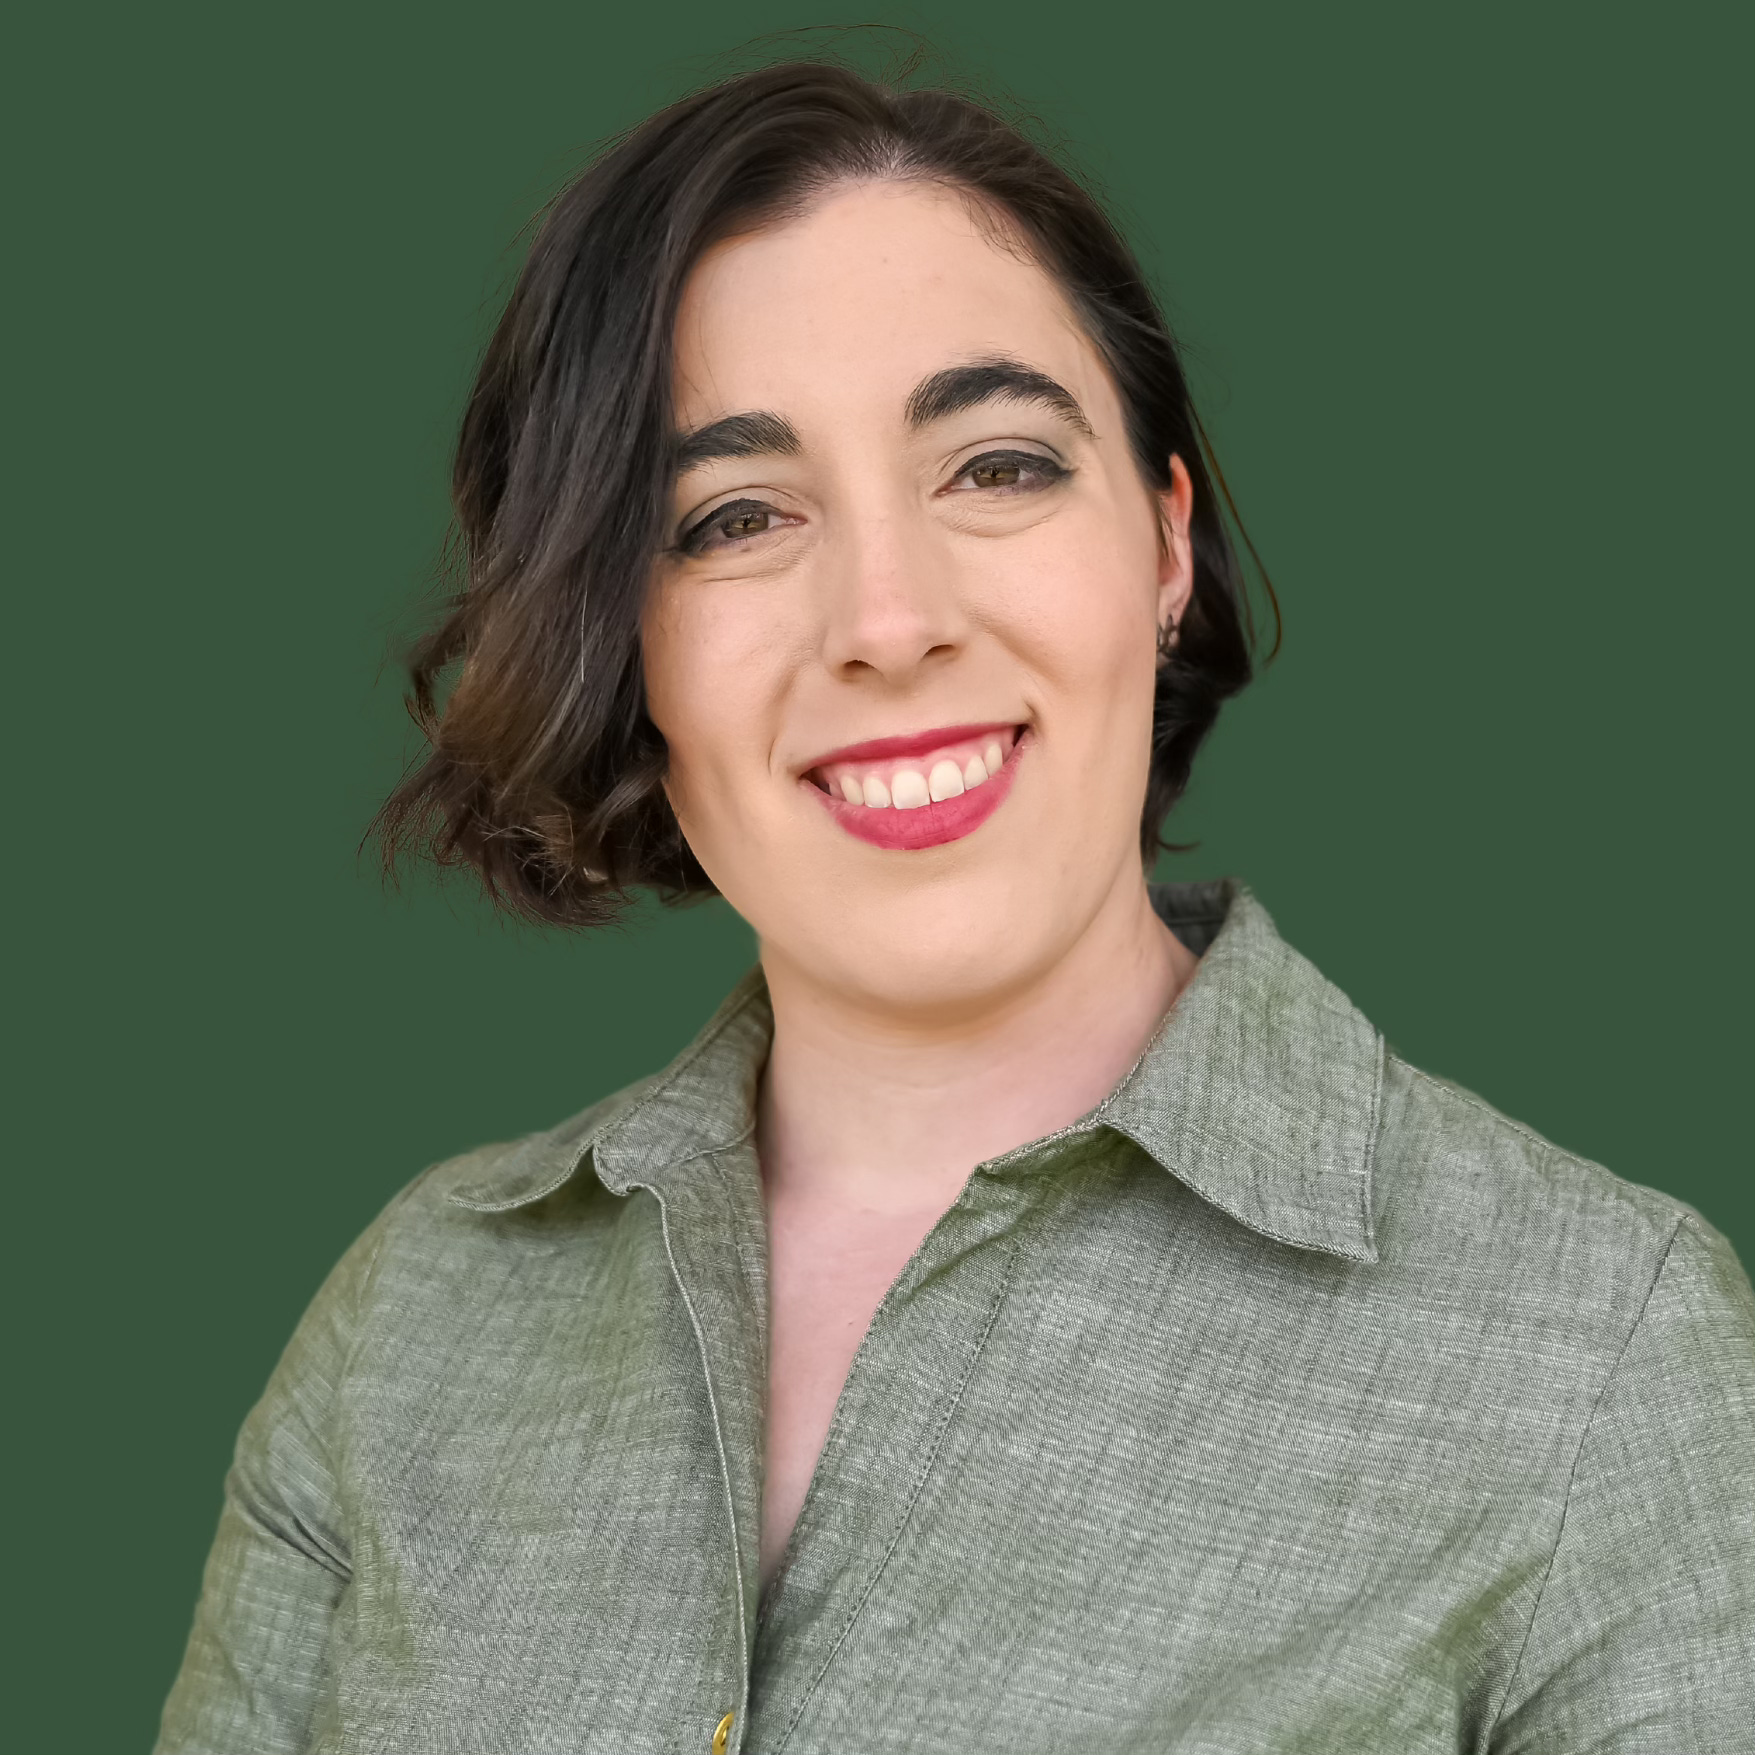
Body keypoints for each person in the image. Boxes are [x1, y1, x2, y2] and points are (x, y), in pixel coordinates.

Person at [156, 58, 1755, 1755]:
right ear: (622, 646)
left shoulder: (1604, 1355)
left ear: (1163, 545)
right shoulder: (416, 1318)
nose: (889, 619)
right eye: (735, 516)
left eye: (995, 466)